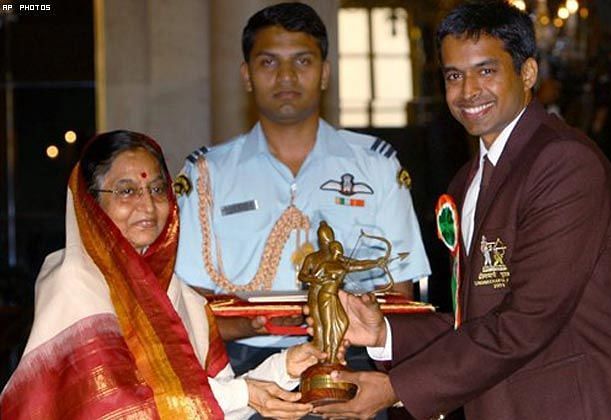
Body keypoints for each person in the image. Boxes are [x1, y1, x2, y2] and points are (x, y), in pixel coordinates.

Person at [313, 2, 611, 419]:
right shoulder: (468, 180)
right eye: (453, 76)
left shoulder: (563, 163)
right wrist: (384, 332)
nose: (467, 91)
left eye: (486, 71)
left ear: (528, 73)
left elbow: (527, 321)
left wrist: (396, 388)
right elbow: (478, 318)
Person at [175, 1, 431, 375]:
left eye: (302, 61)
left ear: (325, 73)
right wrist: (251, 326)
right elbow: (188, 300)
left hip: (351, 358)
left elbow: (400, 291)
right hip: (241, 365)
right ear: (246, 75)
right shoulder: (206, 175)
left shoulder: (375, 165)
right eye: (268, 62)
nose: (286, 77)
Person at [0, 130, 325, 419]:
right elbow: (120, 407)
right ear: (91, 202)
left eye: (157, 189)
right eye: (127, 191)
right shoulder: (74, 279)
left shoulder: (173, 292)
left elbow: (208, 403)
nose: (148, 205)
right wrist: (247, 393)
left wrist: (284, 368)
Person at [299, 221, 387, 364]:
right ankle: (324, 358)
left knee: (336, 324)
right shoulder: (313, 258)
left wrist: (376, 263)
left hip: (329, 294)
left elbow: (357, 265)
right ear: (320, 240)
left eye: (329, 238)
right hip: (317, 295)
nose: (327, 241)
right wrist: (313, 278)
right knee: (319, 326)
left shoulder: (337, 257)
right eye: (325, 238)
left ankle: (329, 357)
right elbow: (302, 275)